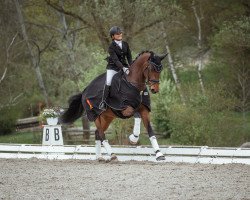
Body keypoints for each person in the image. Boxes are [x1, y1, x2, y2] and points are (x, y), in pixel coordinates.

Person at [99, 26, 132, 110]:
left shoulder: (125, 44)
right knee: (109, 82)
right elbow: (116, 60)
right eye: (117, 34)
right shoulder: (111, 47)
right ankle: (103, 102)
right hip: (113, 67)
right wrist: (123, 69)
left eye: (120, 33)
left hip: (124, 65)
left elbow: (129, 56)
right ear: (113, 36)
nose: (120, 34)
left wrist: (131, 66)